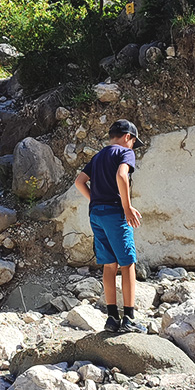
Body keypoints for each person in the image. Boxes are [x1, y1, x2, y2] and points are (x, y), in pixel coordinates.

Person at [73, 119, 146, 334]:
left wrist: (95, 199)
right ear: (127, 137)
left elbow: (79, 181)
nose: (133, 146)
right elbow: (122, 175)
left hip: (96, 213)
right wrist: (127, 207)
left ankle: (112, 318)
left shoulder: (98, 157)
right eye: (134, 141)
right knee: (128, 263)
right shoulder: (125, 153)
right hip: (115, 213)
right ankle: (129, 319)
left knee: (109, 265)